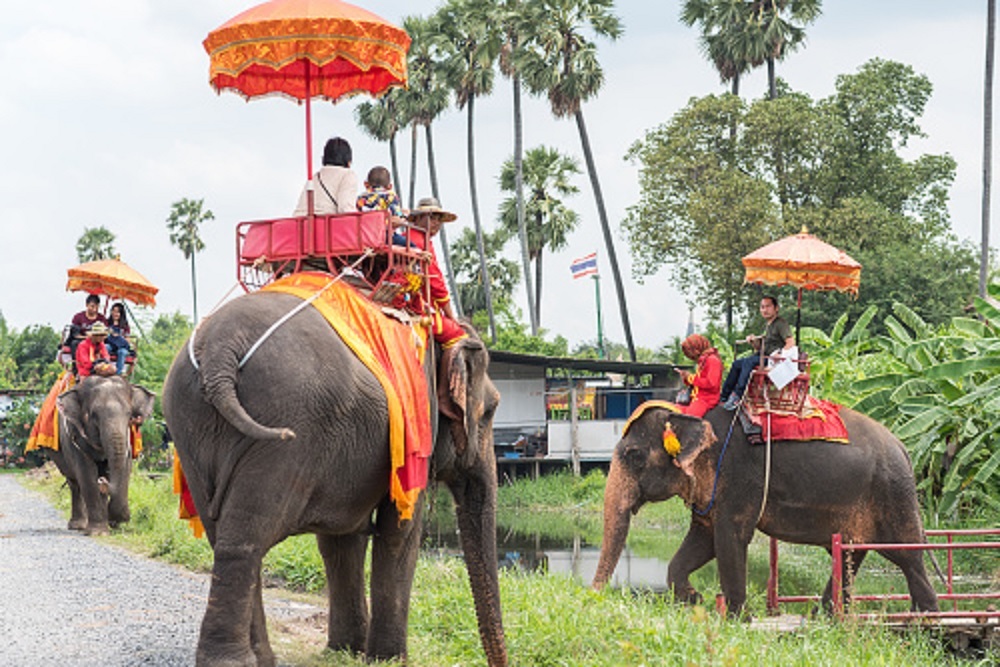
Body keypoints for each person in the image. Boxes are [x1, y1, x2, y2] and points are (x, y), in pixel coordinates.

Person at [403, 197, 467, 352]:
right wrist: (451, 317)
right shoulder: (421, 243)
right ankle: (452, 377)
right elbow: (436, 284)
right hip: (416, 307)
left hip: (407, 301)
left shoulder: (407, 237)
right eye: (431, 217)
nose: (437, 222)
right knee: (459, 336)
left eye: (439, 219)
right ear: (417, 218)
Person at [720, 295, 796, 410]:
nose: (765, 310)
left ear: (776, 308)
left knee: (748, 362)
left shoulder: (780, 323)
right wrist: (753, 341)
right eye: (762, 307)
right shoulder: (768, 325)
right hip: (764, 355)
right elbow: (761, 348)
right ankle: (724, 395)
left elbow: (790, 342)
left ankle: (737, 395)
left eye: (768, 306)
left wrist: (780, 355)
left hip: (773, 359)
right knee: (737, 364)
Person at [293, 137, 358, 215]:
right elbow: (346, 209)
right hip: (327, 224)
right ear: (349, 162)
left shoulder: (314, 178)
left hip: (300, 224)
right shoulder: (348, 175)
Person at [675, 334, 722, 418]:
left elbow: (711, 383)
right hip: (697, 398)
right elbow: (698, 382)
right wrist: (686, 378)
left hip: (706, 399)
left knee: (688, 419)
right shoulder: (703, 361)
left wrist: (690, 378)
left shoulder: (712, 360)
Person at [69, 294, 108, 358]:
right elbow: (75, 334)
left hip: (97, 342)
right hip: (82, 341)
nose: (94, 309)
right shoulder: (78, 317)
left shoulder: (102, 319)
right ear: (87, 305)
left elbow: (106, 334)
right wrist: (87, 337)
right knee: (75, 343)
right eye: (92, 306)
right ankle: (77, 364)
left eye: (97, 307)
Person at [106, 302, 132, 375]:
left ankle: (118, 373)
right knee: (105, 347)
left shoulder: (125, 326)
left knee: (122, 352)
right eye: (113, 311)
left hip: (121, 346)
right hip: (110, 344)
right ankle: (106, 368)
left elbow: (128, 340)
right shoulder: (107, 323)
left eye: (117, 312)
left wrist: (119, 338)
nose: (115, 314)